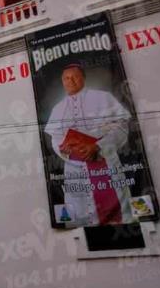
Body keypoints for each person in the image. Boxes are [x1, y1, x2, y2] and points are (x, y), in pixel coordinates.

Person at [44, 64, 134, 227]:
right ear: (62, 82)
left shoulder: (103, 97)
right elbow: (55, 140)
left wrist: (99, 146)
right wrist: (64, 151)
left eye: (75, 77)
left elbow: (121, 127)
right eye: (66, 78)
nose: (70, 81)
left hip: (104, 163)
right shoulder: (58, 108)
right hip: (75, 169)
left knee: (120, 221)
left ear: (83, 78)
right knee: (81, 222)